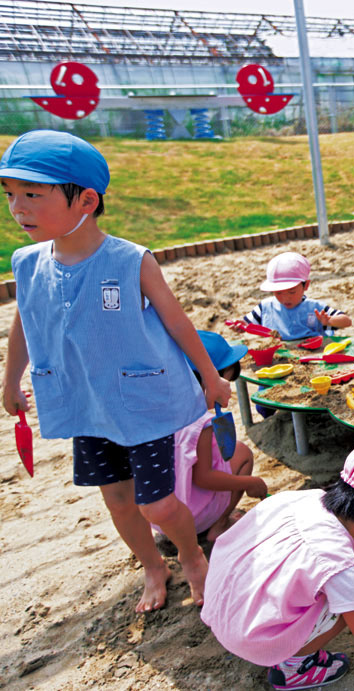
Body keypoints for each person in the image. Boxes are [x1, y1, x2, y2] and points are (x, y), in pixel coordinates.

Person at [1, 129, 232, 612]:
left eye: (32, 195)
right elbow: (26, 324)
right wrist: (11, 378)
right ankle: (154, 565)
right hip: (87, 404)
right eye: (10, 195)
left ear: (86, 199)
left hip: (140, 403)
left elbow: (177, 321)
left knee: (157, 504)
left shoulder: (129, 260)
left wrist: (210, 376)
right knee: (119, 501)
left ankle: (191, 555)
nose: (17, 208)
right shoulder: (27, 264)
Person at [201, 443, 354, 690]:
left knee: (344, 584)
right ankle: (294, 668)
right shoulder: (340, 564)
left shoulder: (300, 498)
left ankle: (273, 635)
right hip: (250, 639)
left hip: (220, 606)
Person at [152, 330, 268, 543]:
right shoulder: (200, 423)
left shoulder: (160, 408)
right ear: (205, 381)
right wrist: (250, 481)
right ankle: (219, 525)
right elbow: (203, 478)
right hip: (190, 518)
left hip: (159, 515)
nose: (228, 390)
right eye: (225, 382)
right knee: (242, 454)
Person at [243, 251, 352, 341]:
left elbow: (347, 321)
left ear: (306, 285)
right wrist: (239, 326)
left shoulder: (315, 308)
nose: (285, 298)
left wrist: (329, 321)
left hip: (312, 354)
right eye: (278, 292)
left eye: (291, 292)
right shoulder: (265, 308)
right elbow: (247, 325)